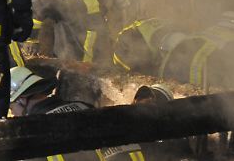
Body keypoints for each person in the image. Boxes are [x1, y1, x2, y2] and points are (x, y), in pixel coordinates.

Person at [9, 67, 148, 160]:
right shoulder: (83, 106)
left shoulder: (34, 132)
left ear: (22, 100)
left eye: (11, 106)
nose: (12, 112)